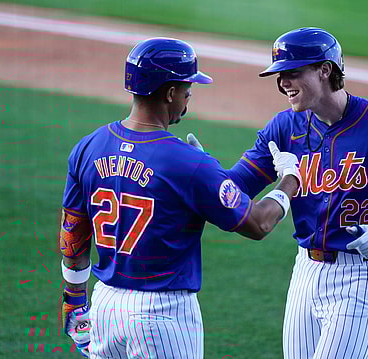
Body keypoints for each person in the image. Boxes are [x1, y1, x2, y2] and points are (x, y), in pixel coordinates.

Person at [203, 27, 368, 358]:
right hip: (306, 270)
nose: (283, 83)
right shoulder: (284, 127)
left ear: (325, 69)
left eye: (292, 73)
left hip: (363, 274)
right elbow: (237, 186)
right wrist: (202, 173)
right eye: (279, 75)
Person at [58, 37, 301, 359]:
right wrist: (289, 180)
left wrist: (73, 296)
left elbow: (73, 234)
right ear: (170, 92)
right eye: (187, 90)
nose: (188, 98)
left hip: (105, 307)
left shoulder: (88, 147)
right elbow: (258, 224)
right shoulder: (188, 162)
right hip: (161, 314)